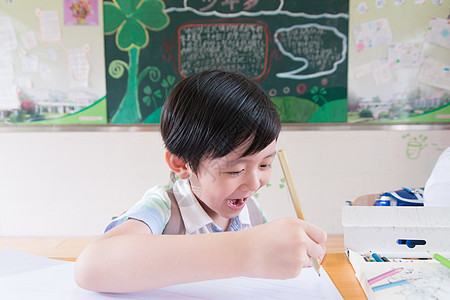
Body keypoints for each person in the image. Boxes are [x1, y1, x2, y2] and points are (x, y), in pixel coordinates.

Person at [74, 69, 327, 293]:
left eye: (264, 165)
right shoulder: (163, 208)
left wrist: (296, 253)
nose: (254, 183)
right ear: (182, 164)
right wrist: (247, 251)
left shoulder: (252, 212)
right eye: (235, 170)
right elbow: (92, 266)